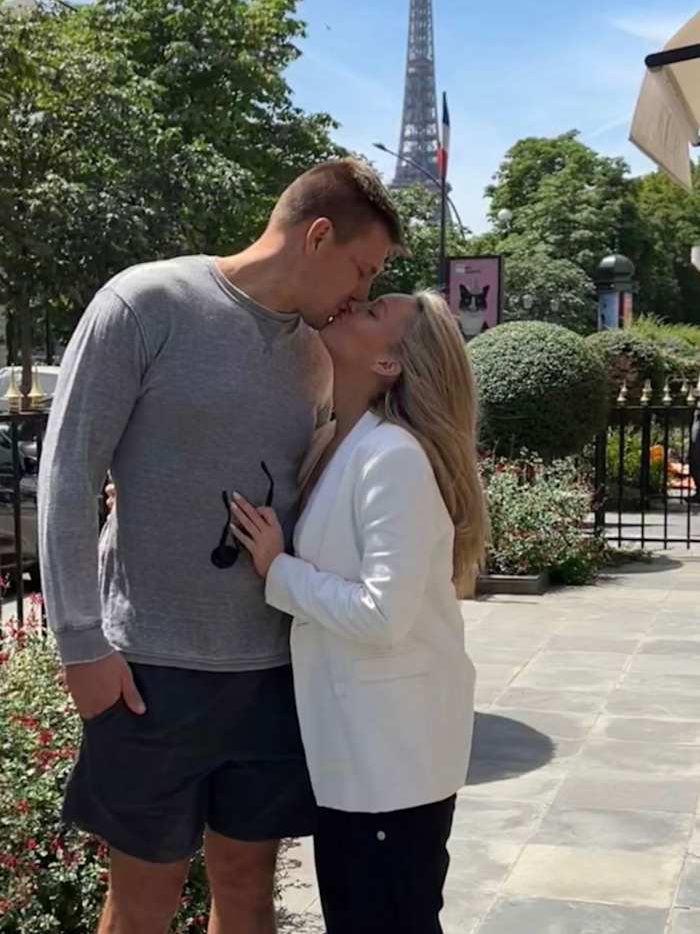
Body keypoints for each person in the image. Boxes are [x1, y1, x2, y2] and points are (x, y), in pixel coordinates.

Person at [37, 159, 403, 934]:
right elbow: (69, 477)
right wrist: (81, 646)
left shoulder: (320, 352)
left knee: (247, 887)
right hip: (148, 672)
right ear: (317, 234)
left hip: (270, 671)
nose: (360, 296)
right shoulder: (145, 303)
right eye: (361, 270)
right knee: (144, 899)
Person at [231, 290, 488, 934]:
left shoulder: (393, 458)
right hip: (363, 754)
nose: (351, 306)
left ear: (389, 364)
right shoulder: (339, 443)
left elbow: (382, 614)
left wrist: (278, 569)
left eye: (373, 313)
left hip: (390, 763)